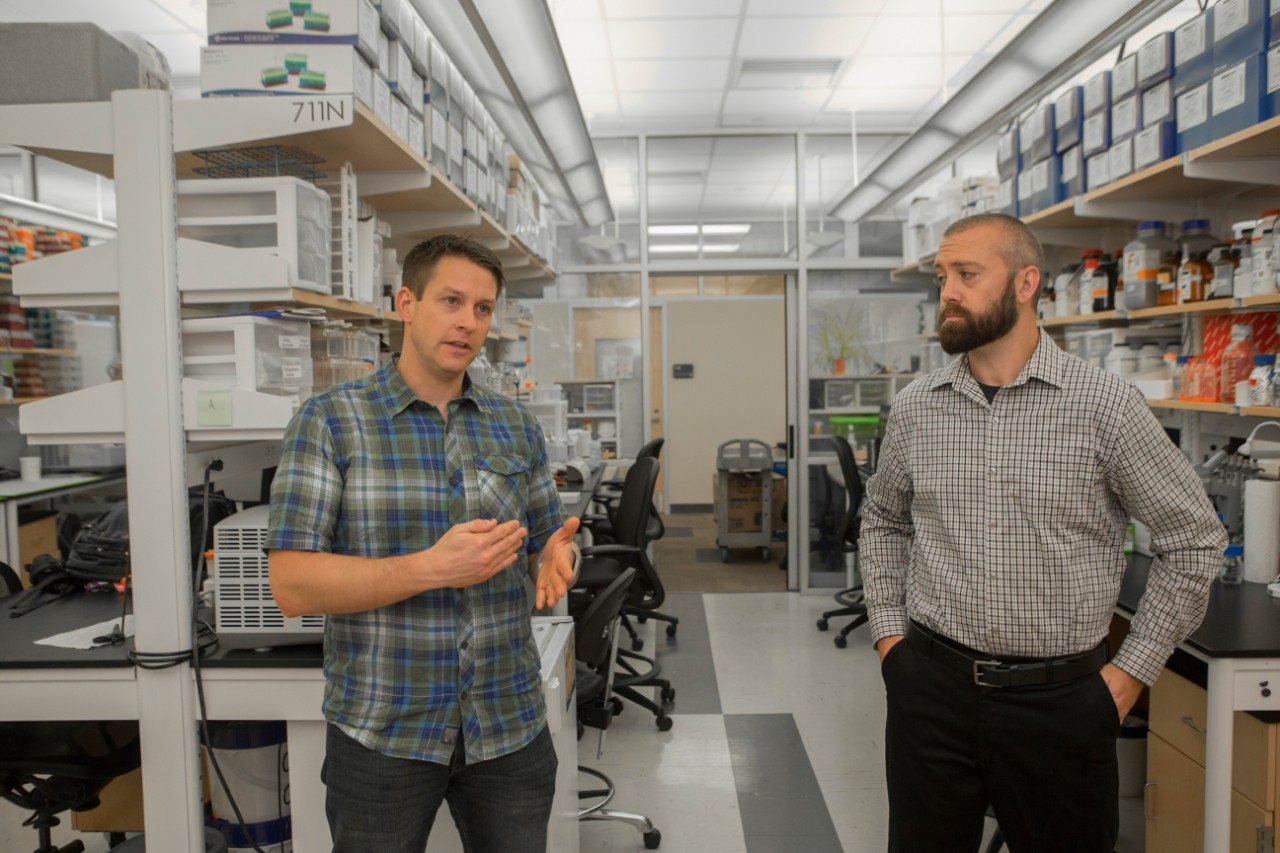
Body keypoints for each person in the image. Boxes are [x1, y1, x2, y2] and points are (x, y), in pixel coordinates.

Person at [860, 213, 1226, 853]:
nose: (948, 290)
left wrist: (1128, 677)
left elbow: (1194, 541)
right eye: (943, 275)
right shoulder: (919, 406)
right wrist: (891, 641)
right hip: (930, 692)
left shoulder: (1103, 405)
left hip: (1060, 707)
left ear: (1026, 282)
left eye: (967, 274)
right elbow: (883, 521)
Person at [266, 234, 580, 853]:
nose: (468, 321)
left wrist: (558, 553)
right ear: (406, 303)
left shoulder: (514, 423)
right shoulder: (330, 421)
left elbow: (548, 534)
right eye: (452, 300)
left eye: (482, 308)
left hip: (508, 726)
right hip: (383, 733)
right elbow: (292, 584)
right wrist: (430, 569)